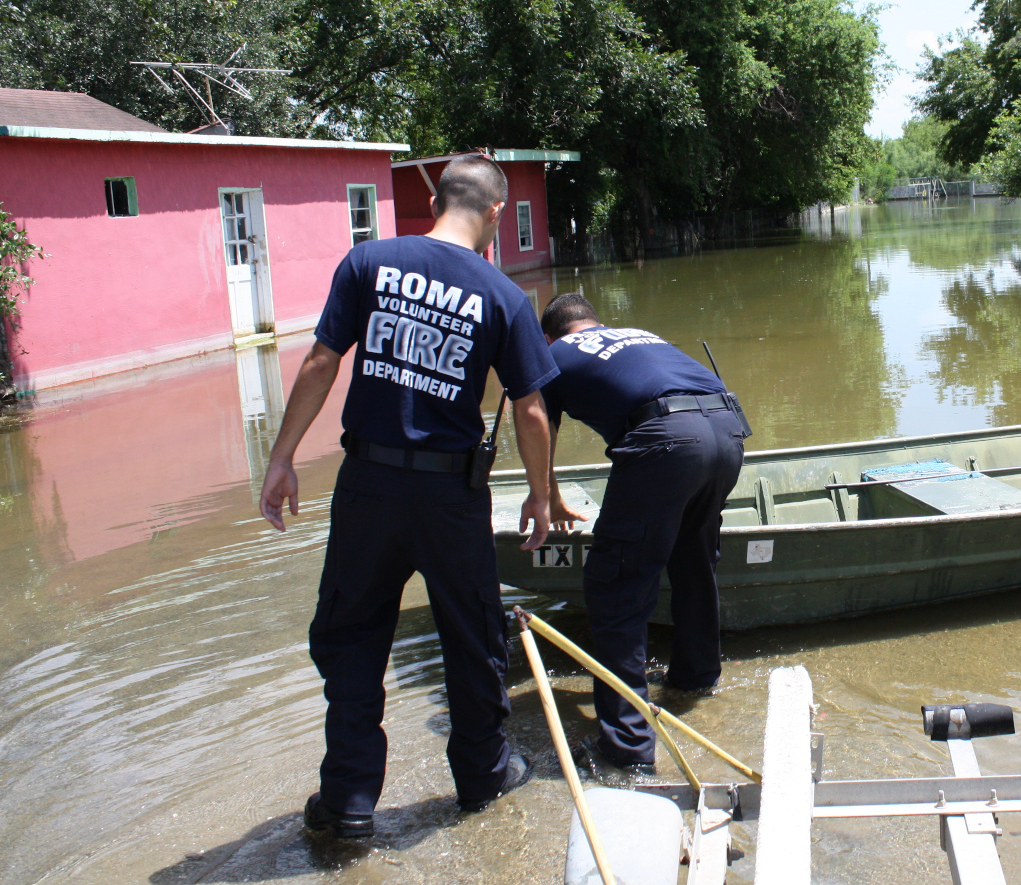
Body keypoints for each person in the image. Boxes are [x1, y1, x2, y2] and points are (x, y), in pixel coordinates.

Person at [259, 155, 560, 838]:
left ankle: (347, 804)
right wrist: (541, 496)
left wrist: (282, 459)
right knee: (472, 636)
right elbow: (530, 408)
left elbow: (320, 360)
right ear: (492, 216)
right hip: (450, 496)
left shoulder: (369, 263)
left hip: (367, 484)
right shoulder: (505, 297)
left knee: (352, 633)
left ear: (435, 200)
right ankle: (483, 779)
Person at [539, 293, 748, 770]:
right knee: (693, 561)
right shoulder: (640, 335)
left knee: (614, 586)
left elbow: (537, 423)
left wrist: (546, 493)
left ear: (548, 336)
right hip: (727, 432)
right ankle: (696, 679)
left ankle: (626, 749)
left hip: (666, 440)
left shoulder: (552, 353)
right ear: (594, 322)